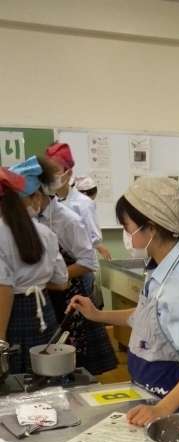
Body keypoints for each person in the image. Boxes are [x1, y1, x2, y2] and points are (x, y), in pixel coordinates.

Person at [69, 176, 179, 424]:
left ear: (151, 227)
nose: (126, 235)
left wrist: (162, 409)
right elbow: (147, 317)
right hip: (148, 393)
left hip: (174, 406)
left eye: (127, 227)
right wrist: (97, 315)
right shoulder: (159, 270)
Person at [32, 157, 117, 376]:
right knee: (47, 360)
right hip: (46, 297)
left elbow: (88, 263)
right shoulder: (33, 220)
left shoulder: (67, 219)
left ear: (38, 194)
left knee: (74, 361)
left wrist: (55, 277)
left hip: (69, 297)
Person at [0, 160, 68, 373]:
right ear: (35, 197)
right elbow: (62, 282)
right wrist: (36, 283)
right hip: (43, 312)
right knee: (45, 373)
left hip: (9, 316)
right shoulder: (46, 233)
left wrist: (0, 340)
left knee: (14, 378)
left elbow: (4, 288)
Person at [45, 143, 110, 267]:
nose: (51, 176)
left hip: (78, 266)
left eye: (55, 171)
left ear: (68, 173)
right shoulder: (46, 203)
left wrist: (99, 246)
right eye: (47, 171)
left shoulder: (83, 203)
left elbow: (93, 236)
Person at [75, 174, 112, 261]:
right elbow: (90, 224)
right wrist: (98, 244)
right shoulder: (85, 203)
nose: (91, 200)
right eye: (92, 198)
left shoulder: (73, 201)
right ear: (84, 194)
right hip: (83, 250)